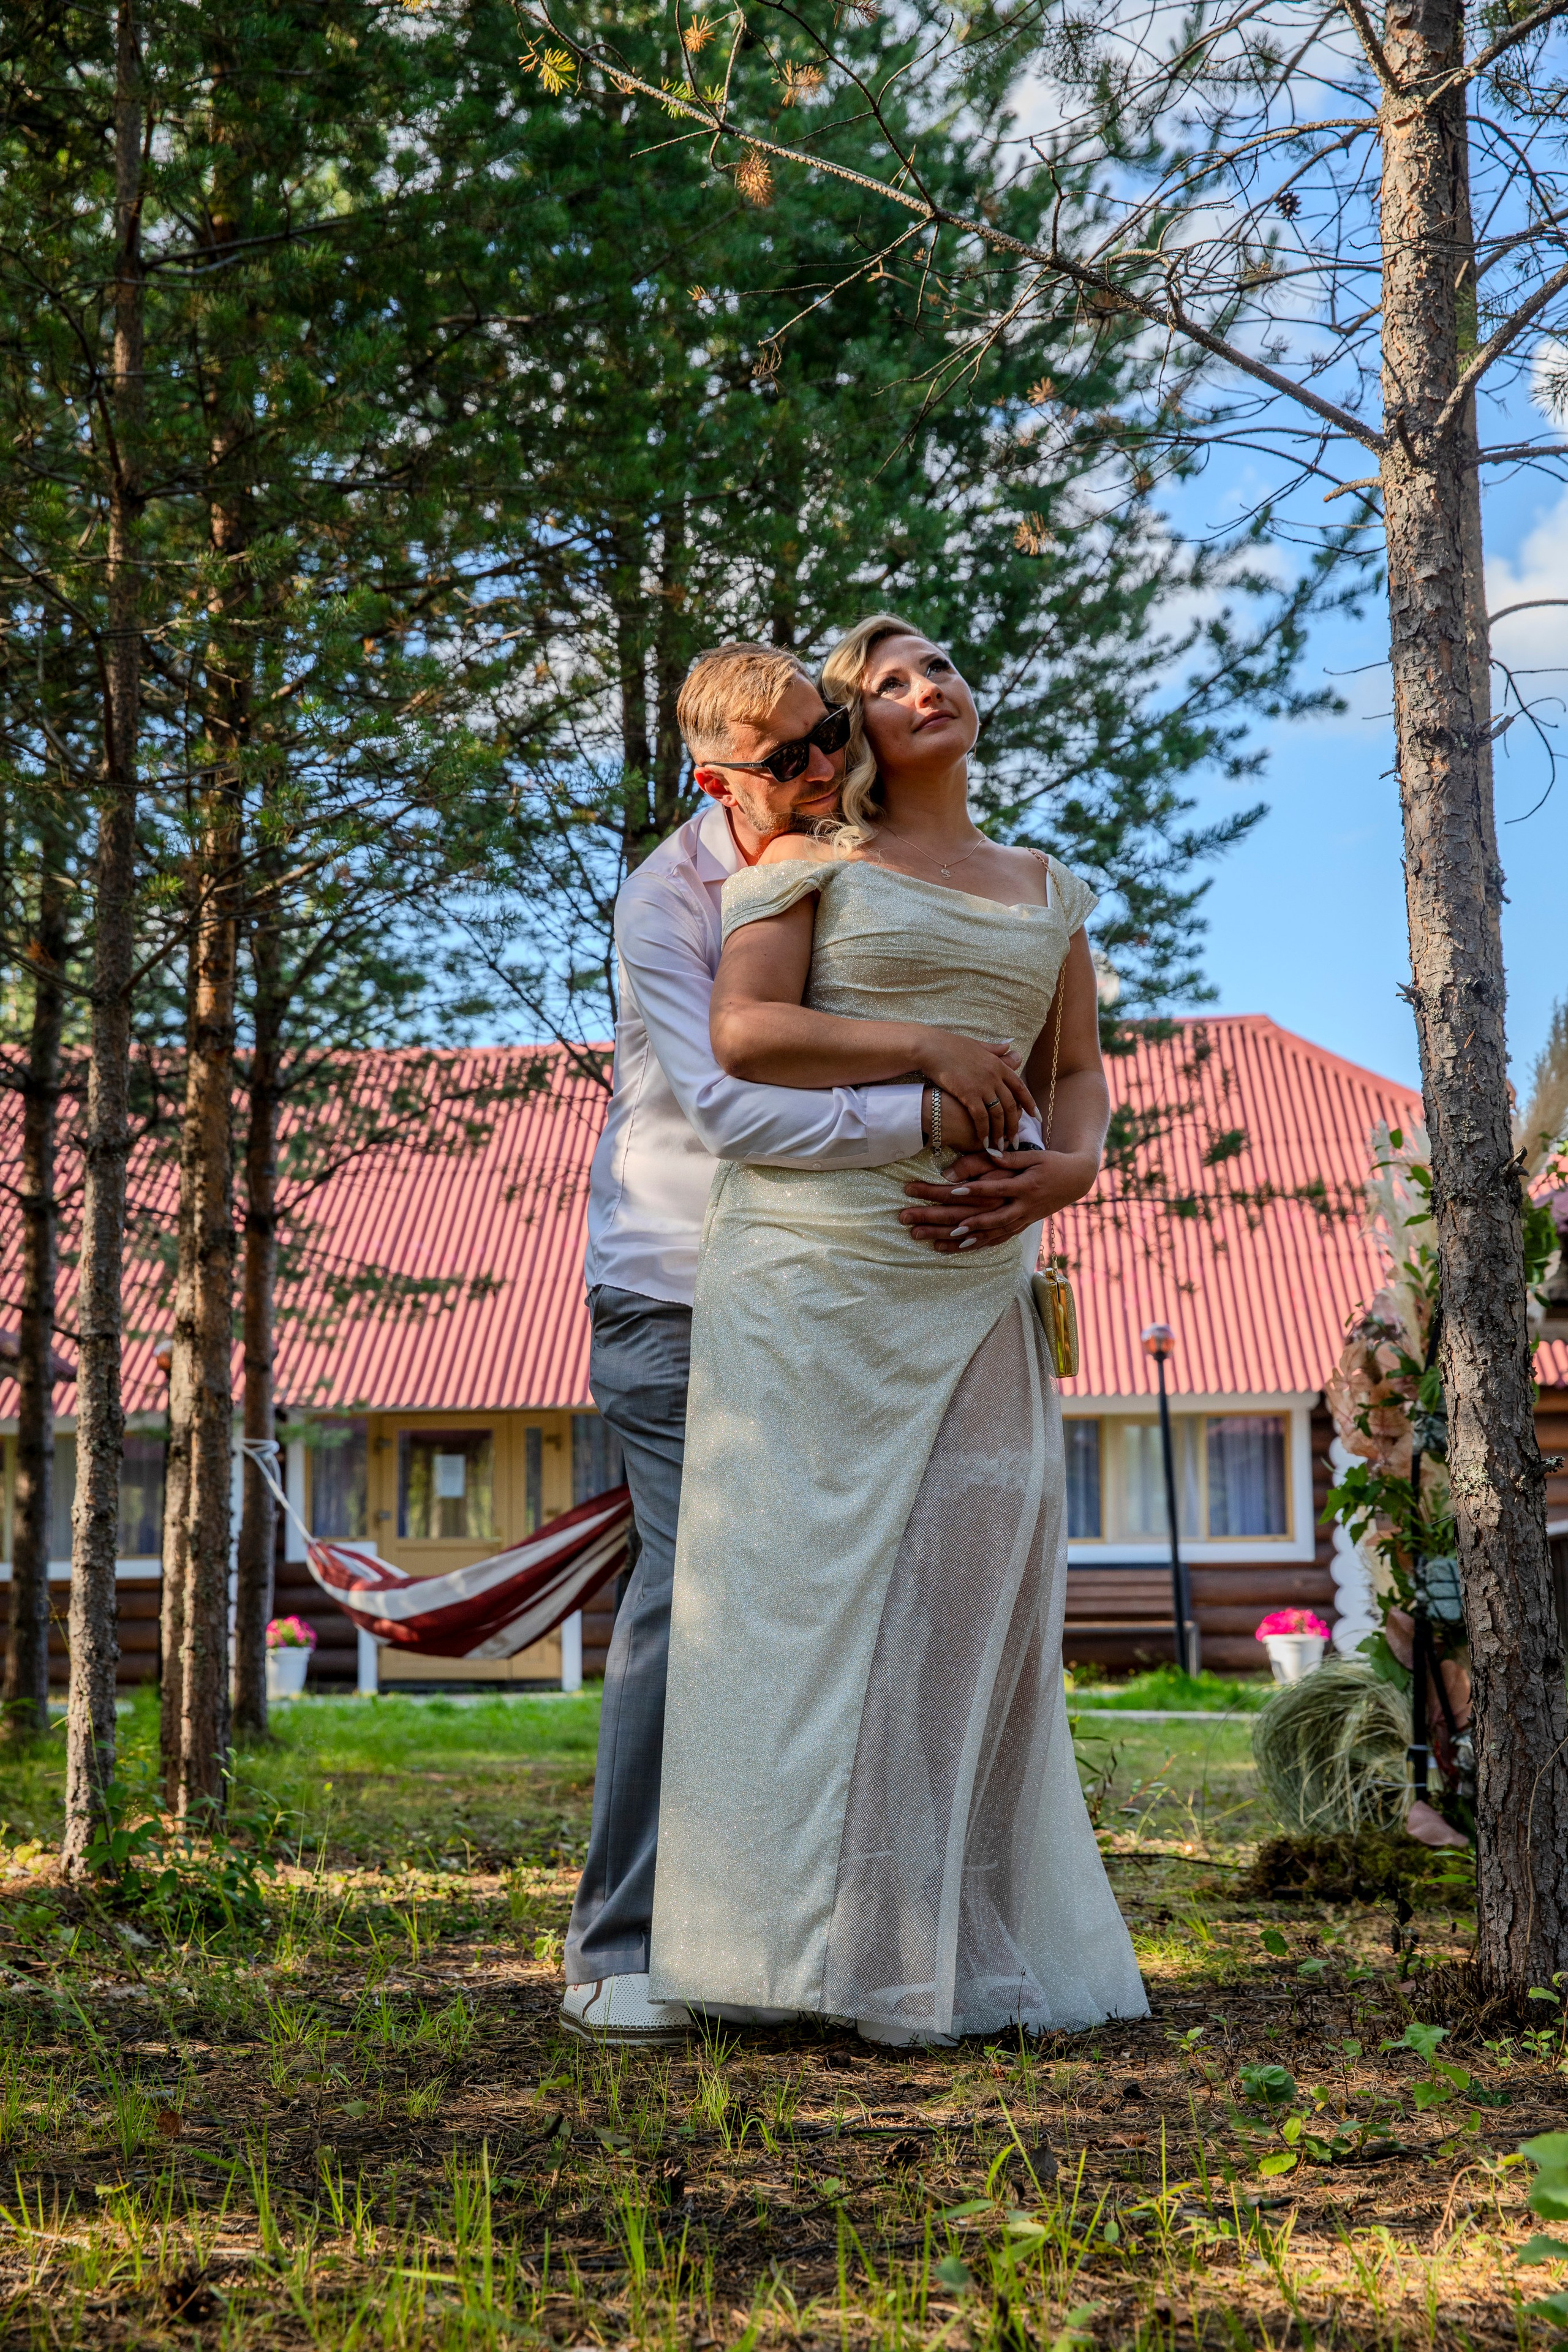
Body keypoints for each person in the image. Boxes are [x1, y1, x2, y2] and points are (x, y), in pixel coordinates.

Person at [647, 614, 1148, 2044]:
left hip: (977, 1273)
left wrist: (1071, 1167)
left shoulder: (1044, 886)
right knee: (795, 1613)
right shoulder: (805, 867)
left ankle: (925, 1943)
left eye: (938, 666)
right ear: (849, 732)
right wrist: (922, 1047)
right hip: (812, 1273)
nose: (927, 688)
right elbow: (748, 1037)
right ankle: (783, 1951)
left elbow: (1075, 1074)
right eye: (888, 682)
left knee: (961, 1604)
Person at [562, 642, 1015, 2046]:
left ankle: (797, 1941)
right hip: (679, 1290)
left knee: (826, 1610)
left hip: (828, 1290)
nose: (824, 767)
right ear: (716, 781)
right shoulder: (666, 899)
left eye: (828, 737)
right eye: (787, 761)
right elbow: (728, 1109)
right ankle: (618, 1944)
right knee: (692, 1601)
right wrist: (929, 1096)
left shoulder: (848, 856)